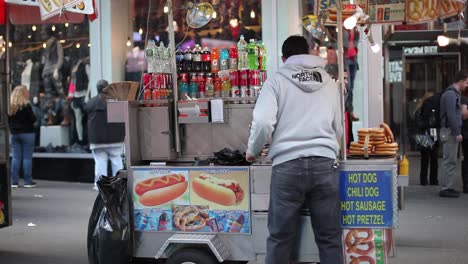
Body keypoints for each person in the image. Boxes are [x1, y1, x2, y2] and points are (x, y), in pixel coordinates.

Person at [246, 36, 343, 264]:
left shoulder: (277, 80)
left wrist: (253, 150)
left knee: (280, 238)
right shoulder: (329, 82)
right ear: (309, 52)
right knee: (329, 237)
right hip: (325, 164)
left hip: (287, 166)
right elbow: (338, 126)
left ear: (283, 58)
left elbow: (262, 122)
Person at [85, 80, 125, 191]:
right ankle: (119, 184)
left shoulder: (91, 103)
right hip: (116, 138)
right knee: (117, 161)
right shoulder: (116, 101)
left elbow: (86, 113)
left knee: (100, 162)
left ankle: (99, 185)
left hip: (97, 140)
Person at [439, 71, 468, 198]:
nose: (467, 85)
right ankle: (445, 188)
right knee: (449, 160)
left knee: (451, 160)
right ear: (461, 81)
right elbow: (451, 115)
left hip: (450, 130)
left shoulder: (453, 93)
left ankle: (448, 186)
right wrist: (457, 132)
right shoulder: (451, 94)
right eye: (466, 82)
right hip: (450, 131)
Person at [8, 85, 37, 188]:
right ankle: (27, 181)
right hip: (27, 133)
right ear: (24, 93)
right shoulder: (26, 105)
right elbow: (33, 119)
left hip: (15, 134)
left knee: (15, 157)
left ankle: (14, 181)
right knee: (27, 158)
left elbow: (8, 120)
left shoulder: (10, 106)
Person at [415, 91, 439, 186]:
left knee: (426, 159)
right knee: (432, 158)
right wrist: (429, 123)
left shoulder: (419, 109)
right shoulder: (422, 110)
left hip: (424, 135)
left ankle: (424, 180)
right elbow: (420, 124)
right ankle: (432, 180)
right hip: (427, 135)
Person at [460, 88, 468, 193]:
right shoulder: (464, 99)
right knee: (467, 159)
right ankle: (466, 185)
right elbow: (464, 115)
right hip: (466, 134)